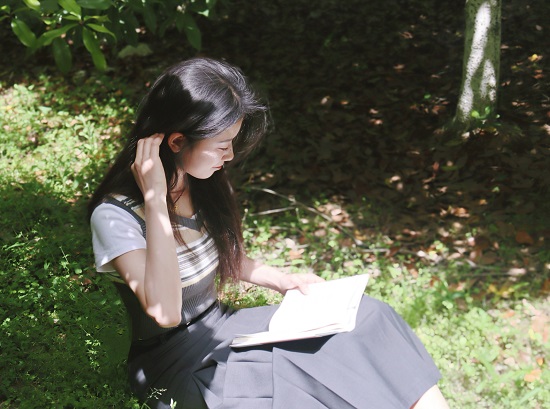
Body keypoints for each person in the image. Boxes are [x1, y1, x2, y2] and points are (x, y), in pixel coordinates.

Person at [88, 57, 449, 409]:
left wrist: (282, 280)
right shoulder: (116, 217)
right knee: (291, 375)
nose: (230, 155)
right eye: (222, 145)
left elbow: (218, 253)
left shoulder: (199, 184)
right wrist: (155, 199)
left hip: (222, 324)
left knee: (367, 320)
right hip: (175, 363)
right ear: (177, 142)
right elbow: (165, 312)